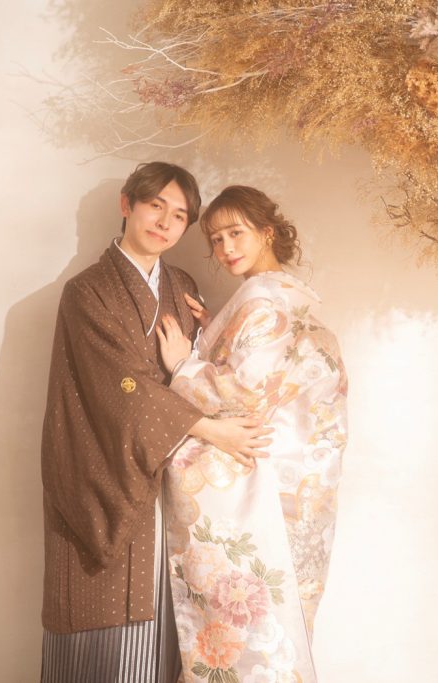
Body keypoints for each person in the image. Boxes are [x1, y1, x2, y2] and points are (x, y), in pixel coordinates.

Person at [40, 163, 272, 683]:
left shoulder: (181, 285)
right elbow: (118, 384)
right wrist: (210, 430)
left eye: (180, 216)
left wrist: (210, 337)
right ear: (127, 204)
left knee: (169, 624)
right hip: (107, 473)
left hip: (172, 480)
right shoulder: (86, 291)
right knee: (104, 620)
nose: (165, 222)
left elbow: (200, 372)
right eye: (155, 206)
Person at [156, 186, 348, 683]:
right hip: (301, 482)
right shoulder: (283, 295)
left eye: (236, 233)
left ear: (266, 232)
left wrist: (182, 366)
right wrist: (216, 329)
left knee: (253, 626)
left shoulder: (265, 301)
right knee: (282, 627)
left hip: (268, 484)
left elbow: (244, 392)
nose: (226, 248)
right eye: (216, 240)